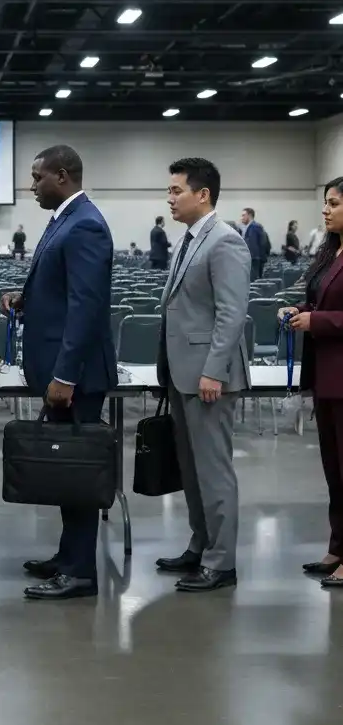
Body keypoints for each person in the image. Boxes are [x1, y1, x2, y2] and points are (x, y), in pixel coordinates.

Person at [1, 145, 116, 601]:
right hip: (63, 369)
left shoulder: (85, 224)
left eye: (37, 178)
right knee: (67, 470)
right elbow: (63, 289)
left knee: (79, 470)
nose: (32, 186)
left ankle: (81, 572)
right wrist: (24, 299)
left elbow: (86, 306)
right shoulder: (64, 220)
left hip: (77, 375)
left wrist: (65, 375)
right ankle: (68, 556)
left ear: (62, 176)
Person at [157, 158, 250, 593]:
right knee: (191, 470)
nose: (170, 198)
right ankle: (201, 544)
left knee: (214, 471)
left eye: (176, 190)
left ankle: (222, 561)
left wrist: (214, 371)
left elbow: (232, 314)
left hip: (209, 376)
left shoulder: (225, 241)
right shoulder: (187, 240)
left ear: (203, 194)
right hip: (182, 373)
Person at [283, 178, 343, 588]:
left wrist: (316, 321)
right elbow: (321, 301)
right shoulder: (330, 252)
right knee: (334, 471)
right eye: (325, 202)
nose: (325, 209)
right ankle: (338, 547)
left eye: (333, 203)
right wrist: (298, 309)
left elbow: (329, 315)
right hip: (324, 376)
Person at [239, 207, 268, 281]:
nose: (241, 218)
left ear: (249, 215)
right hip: (253, 259)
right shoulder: (251, 227)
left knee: (252, 282)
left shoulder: (254, 226)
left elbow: (252, 245)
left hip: (253, 259)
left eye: (243, 215)